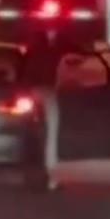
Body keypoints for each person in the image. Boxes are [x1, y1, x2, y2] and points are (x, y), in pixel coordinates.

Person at [23, 30, 63, 190]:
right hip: (49, 92)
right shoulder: (56, 52)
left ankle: (47, 169)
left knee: (43, 130)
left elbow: (26, 74)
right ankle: (52, 172)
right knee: (53, 131)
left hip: (36, 92)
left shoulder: (32, 52)